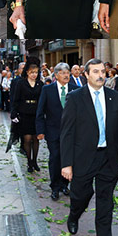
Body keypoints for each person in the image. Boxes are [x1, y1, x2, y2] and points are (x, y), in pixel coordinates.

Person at [60, 57, 118, 236]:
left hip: (108, 158)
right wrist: (66, 164)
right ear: (86, 75)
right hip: (83, 158)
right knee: (80, 196)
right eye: (95, 72)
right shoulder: (75, 97)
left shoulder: (115, 97)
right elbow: (67, 133)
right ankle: (74, 214)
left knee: (105, 202)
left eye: (102, 71)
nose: (100, 75)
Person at [36, 61, 77, 199]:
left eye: (68, 73)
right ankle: (54, 186)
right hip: (53, 131)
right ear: (56, 75)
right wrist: (40, 130)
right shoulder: (47, 90)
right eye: (63, 73)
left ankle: (65, 184)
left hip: (71, 132)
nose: (66, 76)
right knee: (55, 157)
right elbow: (40, 111)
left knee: (67, 158)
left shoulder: (75, 88)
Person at [10, 57, 44, 174]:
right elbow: (15, 99)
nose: (34, 75)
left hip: (36, 114)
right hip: (24, 113)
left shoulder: (41, 84)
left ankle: (35, 161)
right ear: (27, 72)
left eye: (36, 72)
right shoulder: (21, 83)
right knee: (27, 138)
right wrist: (14, 113)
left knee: (36, 138)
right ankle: (29, 161)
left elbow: (43, 99)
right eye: (31, 72)